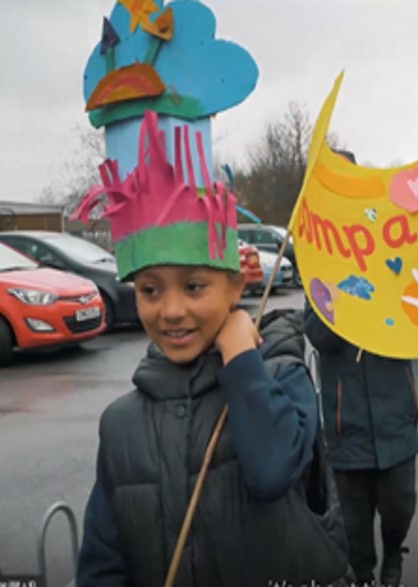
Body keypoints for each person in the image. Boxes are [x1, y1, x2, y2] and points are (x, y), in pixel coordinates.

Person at [76, 111, 345, 585]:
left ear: (234, 287)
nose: (171, 310)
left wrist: (241, 359)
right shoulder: (120, 426)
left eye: (194, 286)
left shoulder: (281, 378)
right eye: (150, 290)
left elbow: (271, 470)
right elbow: (102, 564)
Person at [304, 301, 418, 587]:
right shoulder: (324, 270)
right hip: (348, 429)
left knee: (400, 507)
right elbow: (317, 334)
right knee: (354, 526)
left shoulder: (395, 272)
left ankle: (394, 551)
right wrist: (343, 295)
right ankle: (362, 576)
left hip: (397, 422)